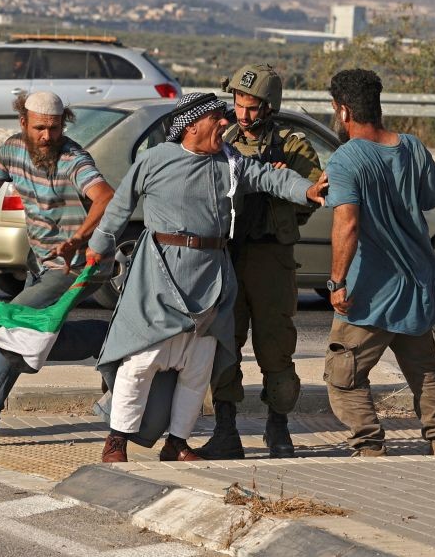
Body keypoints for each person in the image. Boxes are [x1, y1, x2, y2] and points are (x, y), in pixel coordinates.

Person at [87, 93, 328, 463]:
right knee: (141, 361)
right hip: (159, 275)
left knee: (197, 367)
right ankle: (116, 441)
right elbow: (120, 207)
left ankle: (178, 443)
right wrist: (98, 246)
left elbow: (270, 180)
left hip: (211, 278)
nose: (224, 124)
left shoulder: (230, 163)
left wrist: (307, 190)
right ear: (192, 124)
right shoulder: (154, 159)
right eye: (217, 118)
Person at [322, 69, 435, 457]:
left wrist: (337, 281)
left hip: (368, 294)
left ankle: (370, 447)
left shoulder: (345, 160)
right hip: (415, 287)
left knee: (343, 377)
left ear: (343, 112)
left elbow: (348, 223)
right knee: (424, 372)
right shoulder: (410, 147)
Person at [0, 91, 115, 450]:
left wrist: (80, 238)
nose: (47, 136)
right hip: (39, 261)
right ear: (23, 123)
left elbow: (105, 197)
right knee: (31, 338)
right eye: (39, 128)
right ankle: (110, 342)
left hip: (76, 265)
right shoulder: (11, 150)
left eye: (54, 128)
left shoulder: (73, 158)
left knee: (15, 331)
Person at [197, 64, 321, 460]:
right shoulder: (224, 139)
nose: (243, 114)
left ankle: (278, 426)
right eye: (238, 104)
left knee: (275, 345)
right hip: (229, 255)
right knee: (224, 344)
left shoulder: (294, 146)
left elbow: (315, 195)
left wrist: (280, 189)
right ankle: (226, 428)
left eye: (252, 108)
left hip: (271, 256)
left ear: (269, 107)